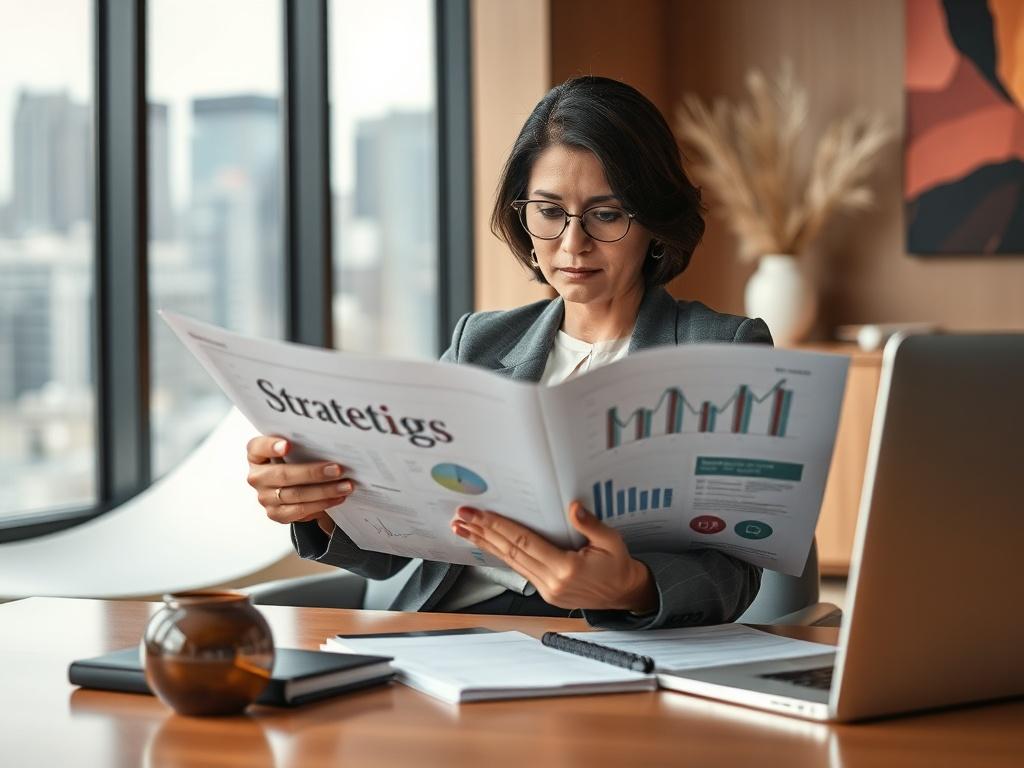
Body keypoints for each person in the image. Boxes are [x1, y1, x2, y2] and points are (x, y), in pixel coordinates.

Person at [246, 76, 771, 630]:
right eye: (549, 211)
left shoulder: (722, 349)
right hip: (450, 627)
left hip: (610, 633)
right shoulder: (479, 341)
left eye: (607, 214)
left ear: (654, 222)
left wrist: (633, 586)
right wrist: (323, 505)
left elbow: (739, 568)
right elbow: (398, 542)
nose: (572, 244)